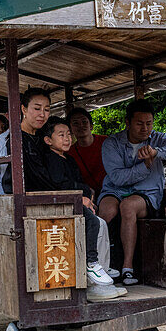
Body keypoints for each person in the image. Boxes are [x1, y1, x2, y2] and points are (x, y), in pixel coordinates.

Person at [38, 116, 124, 298]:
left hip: (78, 202)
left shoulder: (68, 159)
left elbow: (79, 182)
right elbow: (60, 185)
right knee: (95, 224)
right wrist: (80, 196)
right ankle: (92, 269)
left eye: (69, 134)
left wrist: (88, 194)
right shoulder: (50, 159)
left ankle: (102, 274)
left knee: (101, 224)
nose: (67, 138)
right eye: (61, 135)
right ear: (48, 140)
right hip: (64, 207)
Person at [98, 99, 166, 286]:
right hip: (115, 189)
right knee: (106, 212)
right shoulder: (111, 143)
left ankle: (127, 268)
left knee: (128, 206)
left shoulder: (158, 139)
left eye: (149, 123)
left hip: (147, 192)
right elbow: (118, 178)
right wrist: (146, 165)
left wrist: (156, 153)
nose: (145, 128)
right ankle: (100, 265)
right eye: (139, 123)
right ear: (127, 123)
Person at [0, 87, 52, 195]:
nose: (42, 114)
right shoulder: (9, 140)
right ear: (24, 109)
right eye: (37, 108)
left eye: (47, 109)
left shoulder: (43, 139)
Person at [66, 107, 107, 195]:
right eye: (75, 123)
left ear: (91, 126)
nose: (81, 126)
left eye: (84, 122)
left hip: (112, 191)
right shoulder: (69, 153)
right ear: (70, 129)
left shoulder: (107, 142)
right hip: (89, 196)